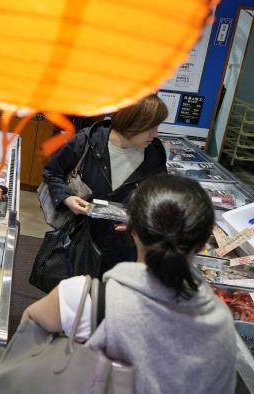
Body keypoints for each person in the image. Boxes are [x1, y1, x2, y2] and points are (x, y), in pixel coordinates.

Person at [24, 175, 238, 394]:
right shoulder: (219, 320)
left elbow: (30, 324)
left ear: (131, 228)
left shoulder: (85, 297)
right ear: (204, 243)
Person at [42, 94, 168, 272]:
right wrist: (66, 198)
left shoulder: (154, 153)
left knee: (113, 298)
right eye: (151, 127)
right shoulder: (87, 141)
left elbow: (159, 197)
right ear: (132, 123)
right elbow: (52, 172)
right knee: (77, 293)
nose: (155, 134)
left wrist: (141, 221)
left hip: (125, 250)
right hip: (80, 240)